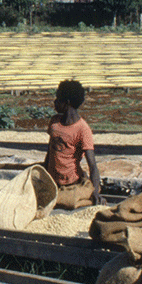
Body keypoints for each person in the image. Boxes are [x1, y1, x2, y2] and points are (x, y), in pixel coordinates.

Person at [45, 78, 101, 207]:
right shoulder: (54, 122)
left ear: (67, 102)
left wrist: (95, 191)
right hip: (53, 181)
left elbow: (92, 165)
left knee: (69, 202)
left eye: (58, 99)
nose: (55, 102)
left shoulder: (82, 129)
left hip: (71, 183)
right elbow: (50, 153)